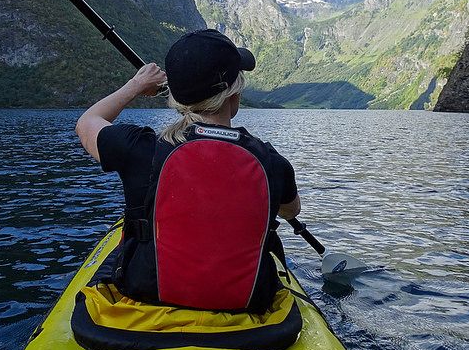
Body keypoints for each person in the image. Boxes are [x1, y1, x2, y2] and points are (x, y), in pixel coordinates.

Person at [75, 29, 301, 313]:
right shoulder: (271, 162)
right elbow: (291, 211)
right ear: (234, 93)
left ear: (177, 97)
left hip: (145, 296)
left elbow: (87, 124)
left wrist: (135, 85)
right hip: (248, 307)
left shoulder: (140, 148)